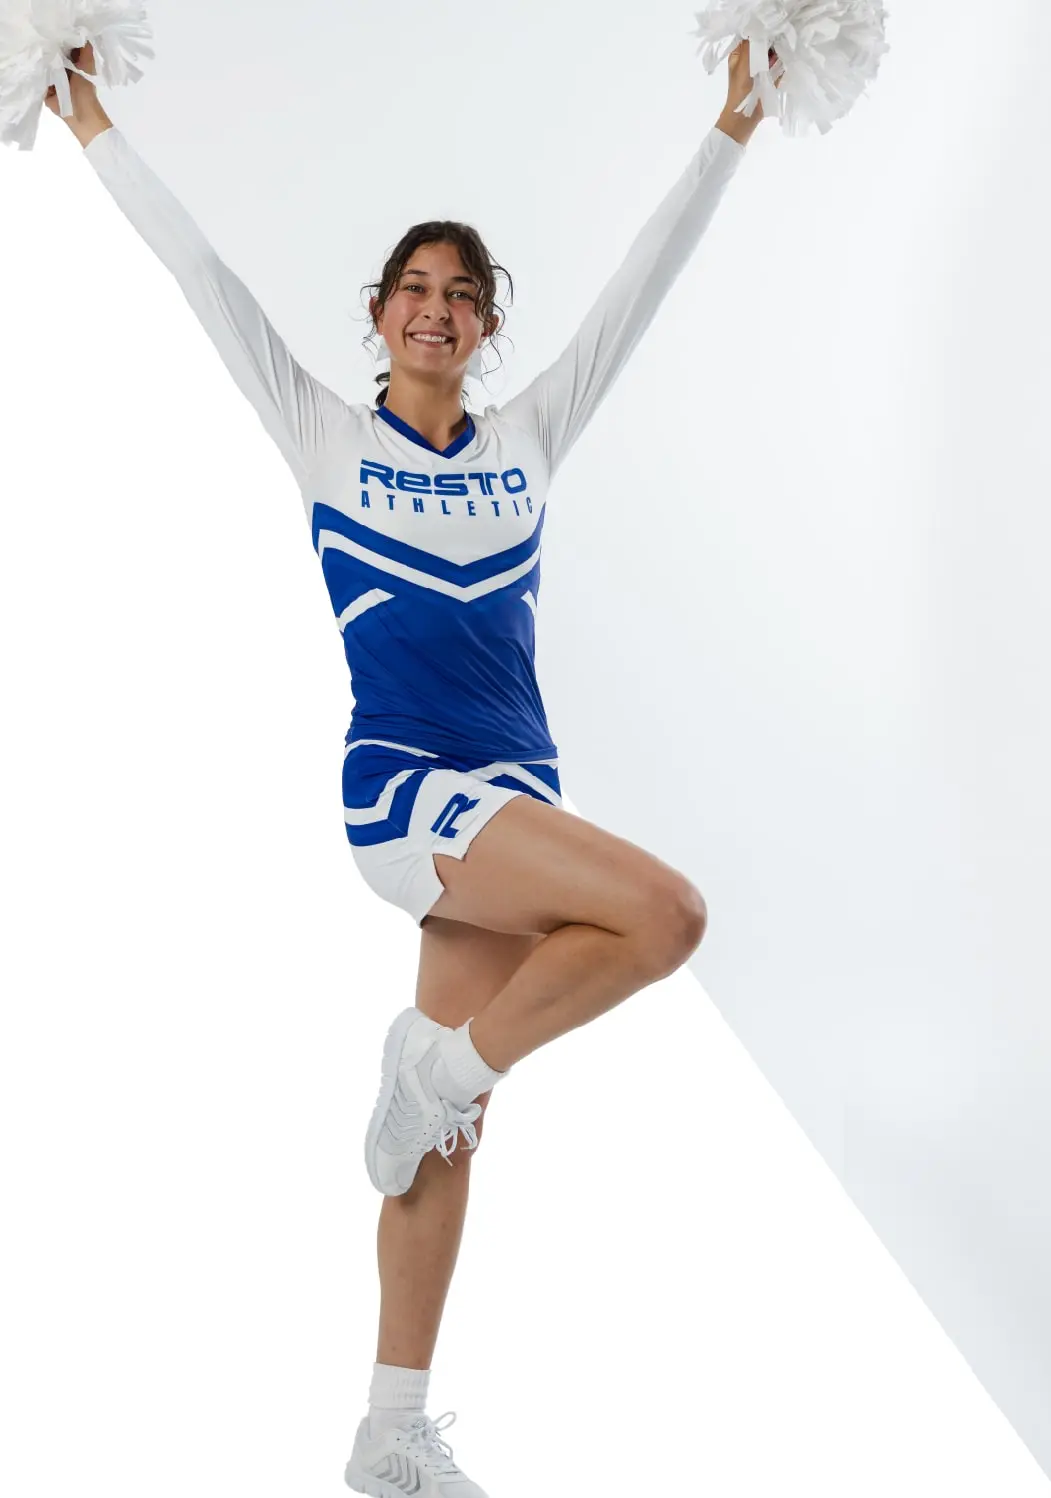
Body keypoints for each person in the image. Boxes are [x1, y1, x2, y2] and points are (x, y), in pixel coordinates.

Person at [49, 40, 772, 1494]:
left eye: (462, 296)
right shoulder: (323, 431)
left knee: (443, 1145)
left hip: (517, 796)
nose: (436, 312)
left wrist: (735, 123)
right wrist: (88, 118)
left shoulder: (528, 441)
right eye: (415, 291)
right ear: (379, 316)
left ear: (486, 327)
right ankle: (435, 1063)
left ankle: (389, 1427)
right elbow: (198, 270)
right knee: (667, 915)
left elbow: (647, 274)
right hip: (404, 791)